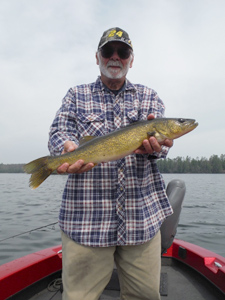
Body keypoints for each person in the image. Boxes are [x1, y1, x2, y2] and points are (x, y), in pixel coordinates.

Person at [48, 27, 173, 300]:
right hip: (85, 221)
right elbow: (59, 133)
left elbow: (161, 149)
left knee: (145, 296)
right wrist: (67, 148)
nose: (115, 57)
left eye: (123, 52)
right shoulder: (75, 95)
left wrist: (157, 147)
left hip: (141, 219)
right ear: (97, 57)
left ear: (131, 59)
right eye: (108, 51)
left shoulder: (148, 97)